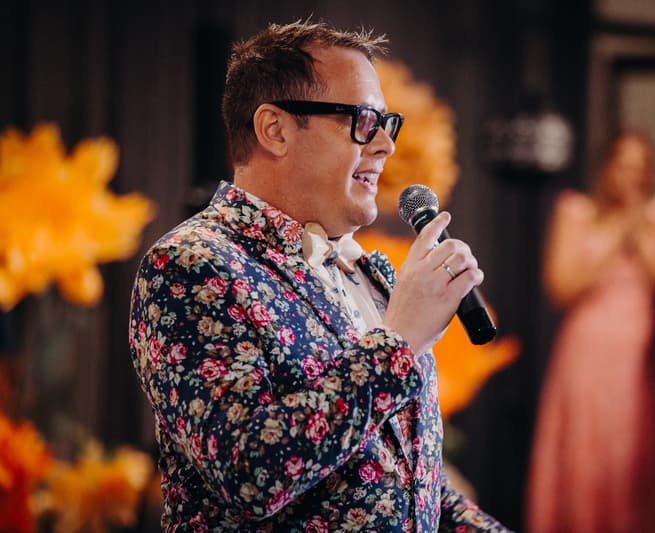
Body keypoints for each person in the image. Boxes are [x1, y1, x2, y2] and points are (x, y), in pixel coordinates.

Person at [128, 20, 510, 532]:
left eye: (386, 122)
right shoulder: (192, 264)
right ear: (275, 129)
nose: (385, 147)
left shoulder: (370, 272)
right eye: (363, 120)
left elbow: (410, 484)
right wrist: (397, 344)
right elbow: (250, 472)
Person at [526, 132, 655, 533]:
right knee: (584, 452)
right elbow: (561, 285)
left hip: (639, 359)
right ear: (607, 166)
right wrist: (618, 232)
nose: (631, 175)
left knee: (633, 453)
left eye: (640, 167)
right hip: (586, 352)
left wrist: (638, 224)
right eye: (623, 164)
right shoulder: (576, 211)